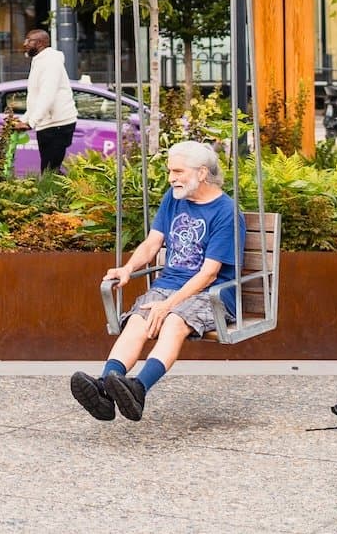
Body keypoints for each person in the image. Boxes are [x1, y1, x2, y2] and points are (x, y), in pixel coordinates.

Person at [70, 140, 240, 421]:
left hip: (213, 294)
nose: (171, 178)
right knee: (137, 321)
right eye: (170, 171)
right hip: (168, 285)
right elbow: (152, 243)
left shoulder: (225, 211)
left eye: (178, 171)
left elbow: (209, 273)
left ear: (201, 172)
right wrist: (128, 268)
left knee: (173, 321)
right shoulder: (173, 198)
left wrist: (169, 305)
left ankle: (138, 388)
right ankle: (103, 390)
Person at [22, 28, 78, 174]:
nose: (25, 43)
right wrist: (26, 119)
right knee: (50, 170)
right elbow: (35, 97)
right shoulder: (40, 61)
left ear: (40, 43)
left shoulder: (50, 62)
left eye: (29, 40)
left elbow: (47, 94)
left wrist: (31, 122)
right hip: (49, 124)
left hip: (57, 124)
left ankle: (66, 195)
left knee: (49, 171)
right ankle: (62, 195)